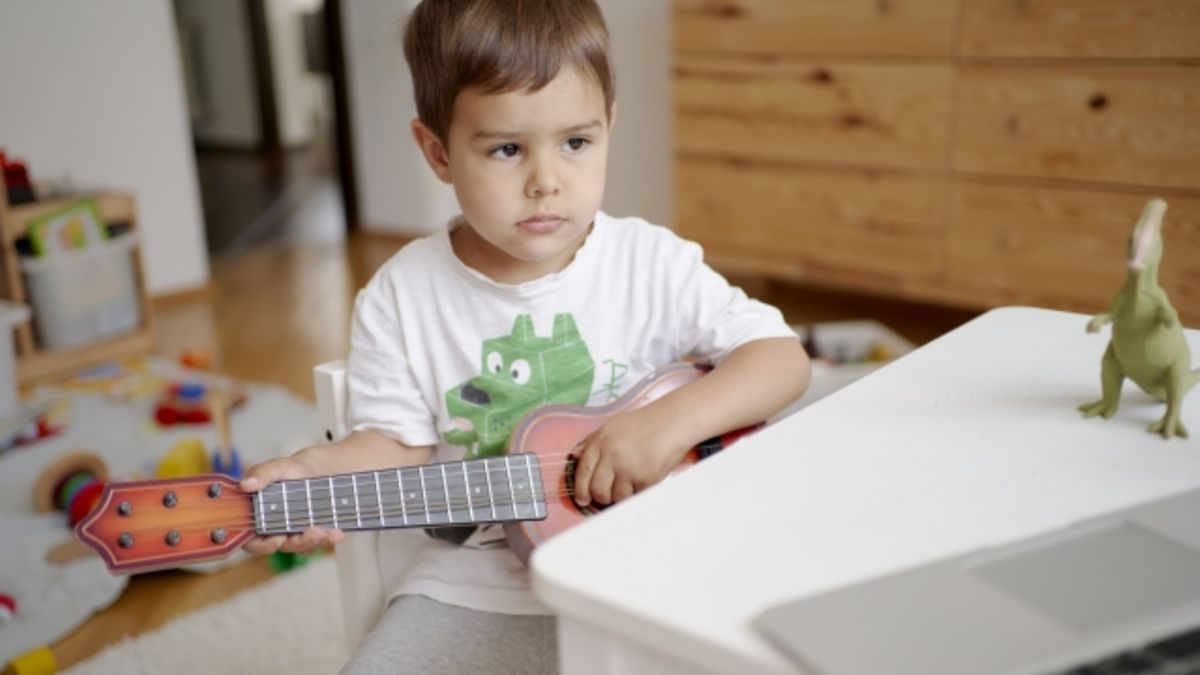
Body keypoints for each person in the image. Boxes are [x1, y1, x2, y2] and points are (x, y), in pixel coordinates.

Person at [241, 0, 811, 671]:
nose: (546, 181)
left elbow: (781, 359)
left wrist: (665, 425)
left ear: (609, 127)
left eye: (576, 142)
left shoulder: (649, 262)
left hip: (654, 563)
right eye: (507, 149)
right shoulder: (401, 296)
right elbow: (392, 442)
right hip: (479, 584)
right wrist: (312, 474)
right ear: (438, 152)